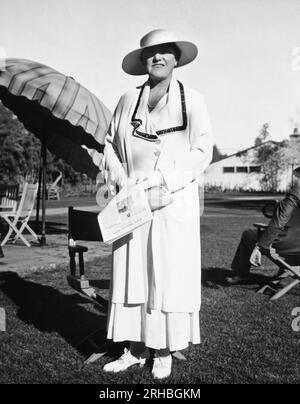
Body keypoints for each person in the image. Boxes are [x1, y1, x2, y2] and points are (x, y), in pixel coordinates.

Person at [101, 29, 213, 379]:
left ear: (177, 59)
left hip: (172, 202)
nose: (159, 58)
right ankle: (133, 349)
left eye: (166, 52)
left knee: (168, 274)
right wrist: (123, 180)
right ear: (143, 60)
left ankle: (163, 350)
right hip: (132, 200)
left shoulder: (192, 100)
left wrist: (164, 180)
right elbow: (109, 145)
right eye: (152, 53)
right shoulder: (126, 99)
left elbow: (201, 151)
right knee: (133, 272)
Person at [226, 167, 300, 285]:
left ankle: (241, 274)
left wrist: (261, 246)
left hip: (288, 244)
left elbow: (279, 221)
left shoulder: (296, 192)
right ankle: (281, 273)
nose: (296, 178)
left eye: (298, 175)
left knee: (248, 234)